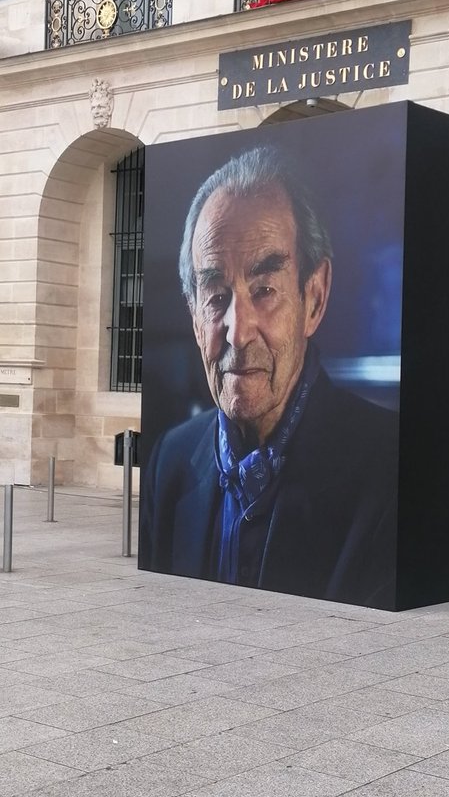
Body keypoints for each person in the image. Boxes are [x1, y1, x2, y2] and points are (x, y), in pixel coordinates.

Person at [140, 144, 399, 609]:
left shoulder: (390, 473)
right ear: (195, 318)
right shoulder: (170, 462)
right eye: (216, 296)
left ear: (314, 299)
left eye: (264, 290)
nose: (238, 333)